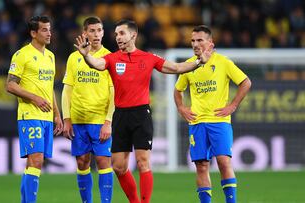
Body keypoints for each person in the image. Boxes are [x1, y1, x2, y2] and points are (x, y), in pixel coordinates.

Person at [74, 19, 212, 203]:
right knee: (118, 166)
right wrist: (86, 56)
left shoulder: (148, 58)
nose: (117, 38)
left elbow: (177, 67)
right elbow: (97, 64)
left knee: (143, 162)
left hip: (141, 114)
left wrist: (198, 62)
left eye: (121, 33)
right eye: (115, 34)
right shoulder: (112, 58)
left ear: (133, 35)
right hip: (121, 115)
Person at [174, 25, 251, 203]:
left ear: (210, 43)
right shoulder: (189, 65)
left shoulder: (223, 62)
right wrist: (181, 107)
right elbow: (178, 90)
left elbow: (246, 82)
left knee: (224, 162)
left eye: (200, 40)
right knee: (201, 166)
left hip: (219, 121)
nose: (195, 44)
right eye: (193, 40)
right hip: (197, 122)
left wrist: (233, 105)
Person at [6, 15, 63, 203]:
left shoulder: (51, 56)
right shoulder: (22, 55)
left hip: (46, 117)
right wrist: (34, 98)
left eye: (49, 29)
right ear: (33, 33)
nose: (49, 33)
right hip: (29, 113)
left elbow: (49, 89)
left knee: (34, 163)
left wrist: (57, 114)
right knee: (36, 160)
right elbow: (10, 85)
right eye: (44, 30)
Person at [62, 16, 114, 203]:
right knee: (82, 162)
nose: (96, 34)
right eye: (92, 31)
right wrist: (67, 118)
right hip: (78, 120)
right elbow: (67, 89)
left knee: (103, 162)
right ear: (84, 33)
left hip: (100, 120)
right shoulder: (74, 58)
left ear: (103, 33)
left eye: (99, 30)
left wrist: (108, 121)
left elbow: (113, 92)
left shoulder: (109, 58)